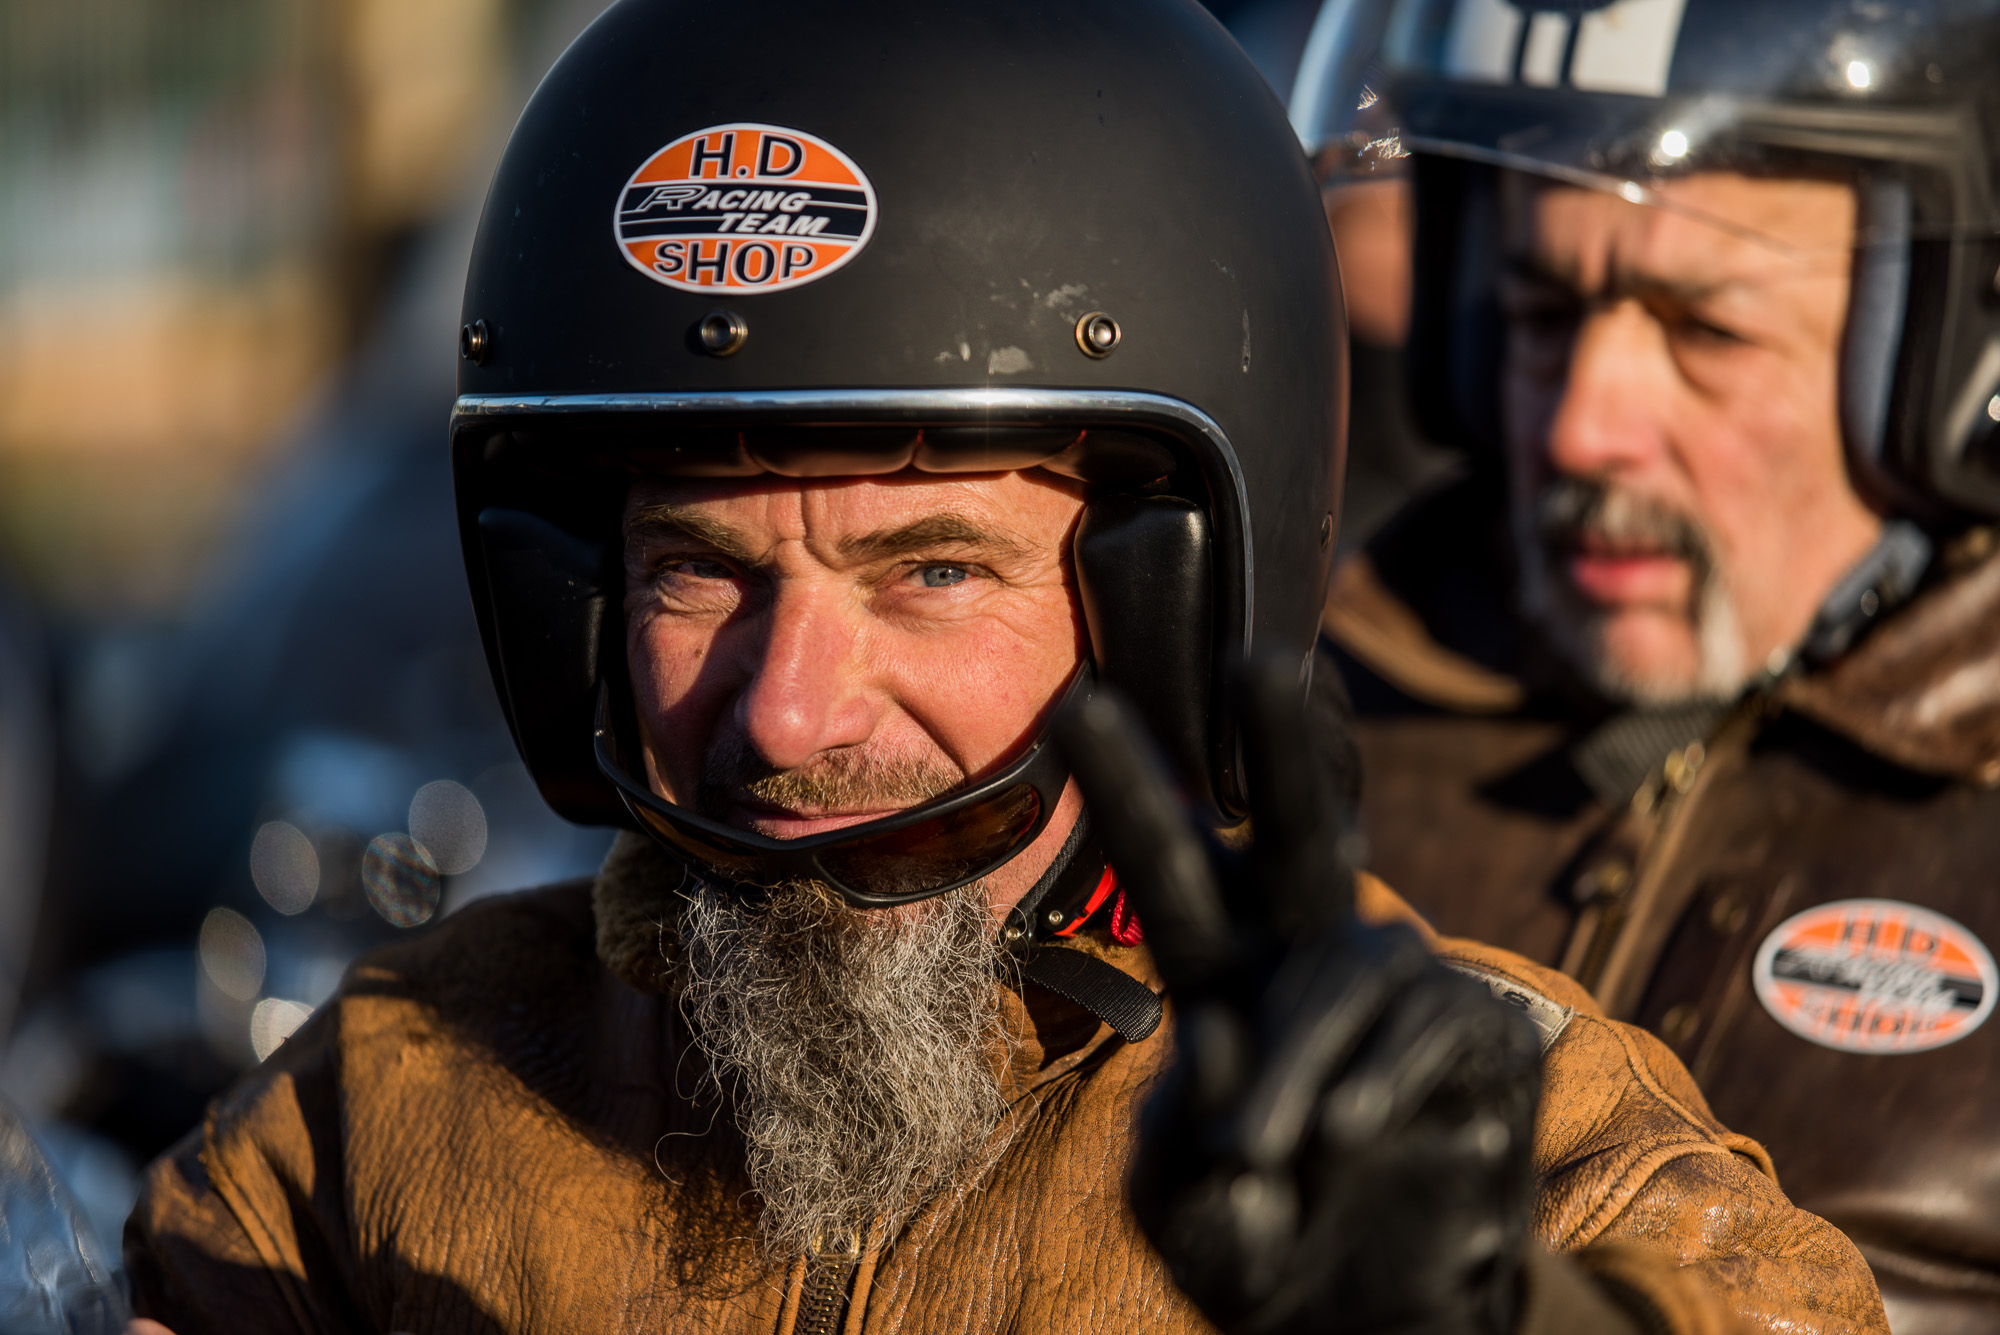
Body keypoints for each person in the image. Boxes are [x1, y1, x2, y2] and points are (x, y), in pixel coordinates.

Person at [121, 0, 1885, 1331]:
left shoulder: (1531, 1144)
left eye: (934, 569)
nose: (789, 712)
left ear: (1172, 605)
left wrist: (1487, 1312)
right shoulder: (401, 1099)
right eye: (697, 573)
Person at [1293, 0, 2000, 1328]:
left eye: (1705, 329)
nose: (1581, 428)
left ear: (1954, 360)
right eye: (1540, 311)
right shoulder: (1297, 715)